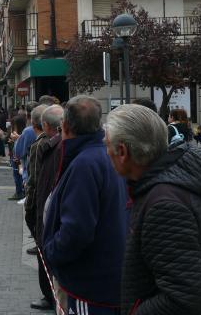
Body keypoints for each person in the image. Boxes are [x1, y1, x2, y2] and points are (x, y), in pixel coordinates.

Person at [105, 104, 201, 314]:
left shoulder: (163, 203)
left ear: (123, 151)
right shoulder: (177, 180)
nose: (105, 152)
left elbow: (184, 298)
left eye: (106, 145)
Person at [42, 96, 128, 314]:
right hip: (109, 277)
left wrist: (52, 252)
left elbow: (77, 230)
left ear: (66, 126)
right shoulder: (104, 155)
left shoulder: (84, 164)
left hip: (90, 286)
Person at [30, 104, 64, 311]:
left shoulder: (43, 146)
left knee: (46, 252)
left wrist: (31, 210)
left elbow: (36, 181)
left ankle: (50, 296)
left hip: (48, 210)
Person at [24, 105, 48, 235]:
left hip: (41, 197)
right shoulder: (57, 140)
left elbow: (34, 177)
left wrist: (29, 204)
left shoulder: (38, 145)